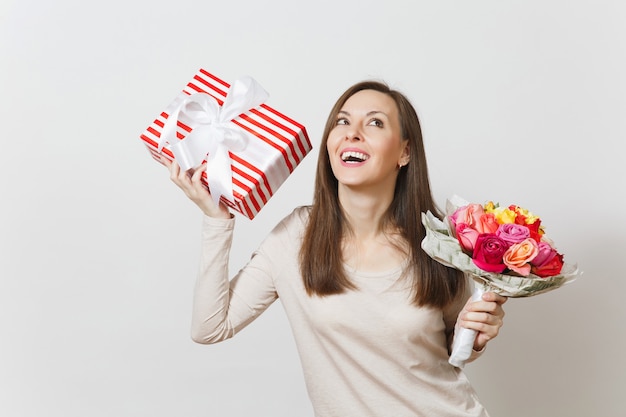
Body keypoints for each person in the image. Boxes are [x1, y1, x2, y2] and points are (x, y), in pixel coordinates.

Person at [161, 80, 507, 417]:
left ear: (405, 152)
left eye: (374, 122)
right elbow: (209, 328)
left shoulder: (438, 241)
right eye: (342, 121)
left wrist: (473, 339)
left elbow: (446, 350)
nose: (352, 132)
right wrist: (217, 220)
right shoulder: (297, 237)